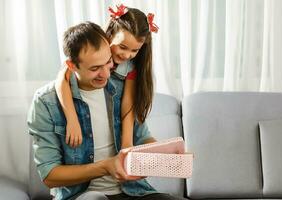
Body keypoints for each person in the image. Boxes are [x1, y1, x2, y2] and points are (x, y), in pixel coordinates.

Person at [27, 22, 186, 200]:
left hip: (133, 191)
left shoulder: (122, 88)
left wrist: (166, 153)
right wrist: (106, 166)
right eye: (95, 69)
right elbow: (49, 175)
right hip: (82, 195)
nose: (106, 74)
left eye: (108, 62)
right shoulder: (46, 102)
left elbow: (141, 137)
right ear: (72, 66)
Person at [55, 4, 158, 150]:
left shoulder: (130, 66)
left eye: (134, 50)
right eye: (122, 47)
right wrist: (72, 119)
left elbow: (128, 104)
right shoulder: (89, 51)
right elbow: (62, 79)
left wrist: (127, 144)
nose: (127, 55)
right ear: (109, 35)